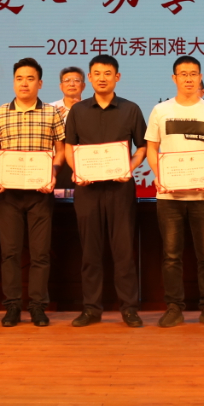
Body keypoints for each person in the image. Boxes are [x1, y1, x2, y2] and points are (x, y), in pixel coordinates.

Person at [63, 54, 147, 328]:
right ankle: (91, 309)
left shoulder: (131, 109)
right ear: (89, 78)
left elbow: (142, 147)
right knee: (90, 251)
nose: (102, 78)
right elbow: (69, 147)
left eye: (107, 73)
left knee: (124, 251)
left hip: (120, 189)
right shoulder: (77, 111)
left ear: (117, 77)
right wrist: (78, 170)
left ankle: (129, 309)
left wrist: (129, 167)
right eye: (97, 73)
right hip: (88, 191)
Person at [145, 55, 204, 328]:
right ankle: (174, 307)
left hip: (203, 195)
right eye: (183, 74)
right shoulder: (161, 110)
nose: (189, 79)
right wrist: (161, 175)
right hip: (169, 196)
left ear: (200, 77)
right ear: (174, 78)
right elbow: (151, 148)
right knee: (171, 255)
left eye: (193, 74)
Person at [0, 58, 65, 328]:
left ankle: (38, 307)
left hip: (40, 192)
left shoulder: (52, 113)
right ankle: (12, 306)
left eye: (30, 79)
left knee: (40, 254)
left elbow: (60, 150)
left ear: (39, 83)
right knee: (10, 253)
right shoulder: (0, 113)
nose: (24, 83)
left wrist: (52, 172)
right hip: (8, 193)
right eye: (19, 78)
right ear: (13, 82)